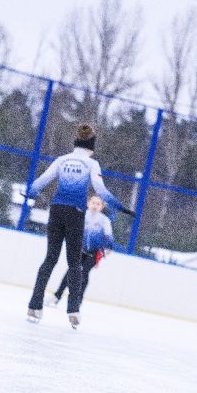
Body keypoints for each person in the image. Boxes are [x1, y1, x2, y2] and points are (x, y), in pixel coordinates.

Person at [25, 123, 133, 328]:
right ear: (91, 146)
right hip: (75, 214)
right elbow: (101, 191)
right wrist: (121, 208)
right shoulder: (92, 164)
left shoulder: (62, 160)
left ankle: (33, 306)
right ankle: (73, 310)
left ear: (75, 142)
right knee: (75, 263)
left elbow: (41, 181)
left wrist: (29, 193)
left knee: (50, 259)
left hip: (56, 211)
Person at [48, 195, 115, 309]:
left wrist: (108, 249)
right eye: (93, 203)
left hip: (94, 252)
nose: (95, 206)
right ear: (88, 203)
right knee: (72, 271)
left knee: (83, 273)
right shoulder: (81, 215)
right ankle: (57, 296)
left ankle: (77, 301)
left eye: (98, 204)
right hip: (78, 249)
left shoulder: (104, 220)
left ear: (102, 207)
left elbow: (109, 237)